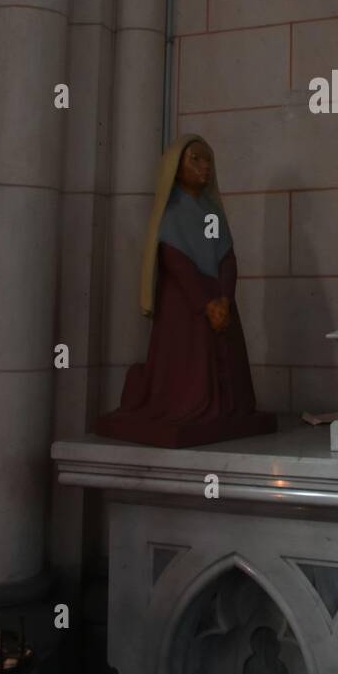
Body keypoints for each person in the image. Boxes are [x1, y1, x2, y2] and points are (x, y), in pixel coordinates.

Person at [95, 134, 275, 447]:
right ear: (175, 168)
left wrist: (225, 297)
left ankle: (226, 407)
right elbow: (175, 261)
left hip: (218, 299)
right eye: (196, 159)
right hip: (185, 305)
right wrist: (205, 304)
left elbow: (227, 256)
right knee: (188, 363)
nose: (205, 167)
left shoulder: (211, 210)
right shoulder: (171, 211)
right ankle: (186, 404)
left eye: (208, 160)